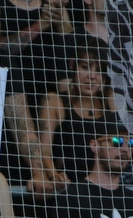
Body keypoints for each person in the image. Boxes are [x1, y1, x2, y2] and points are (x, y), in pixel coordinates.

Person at [39, 40, 116, 186]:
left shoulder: (110, 103)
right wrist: (55, 177)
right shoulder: (55, 101)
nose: (92, 76)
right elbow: (44, 151)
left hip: (107, 187)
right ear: (73, 66)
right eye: (85, 67)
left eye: (99, 70)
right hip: (70, 188)